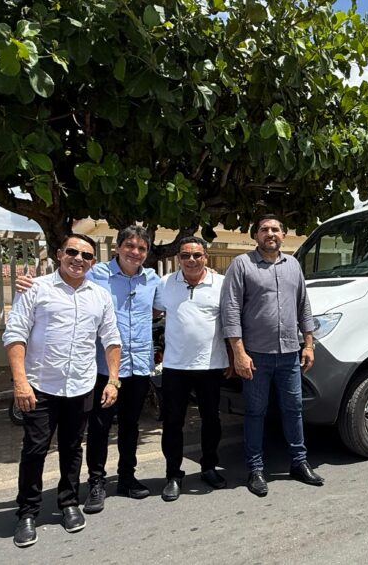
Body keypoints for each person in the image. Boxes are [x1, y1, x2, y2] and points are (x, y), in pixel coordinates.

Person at [16, 226, 161, 515]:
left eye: (142, 248)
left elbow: (159, 309)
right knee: (99, 427)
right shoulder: (96, 274)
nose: (135, 252)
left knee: (131, 426)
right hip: (101, 368)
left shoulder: (153, 279)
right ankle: (97, 482)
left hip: (139, 364)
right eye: (130, 246)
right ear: (118, 247)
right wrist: (29, 284)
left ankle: (127, 477)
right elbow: (66, 281)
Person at [4, 234, 121, 548]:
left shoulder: (99, 296)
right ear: (59, 254)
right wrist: (20, 382)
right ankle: (27, 512)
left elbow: (111, 339)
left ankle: (68, 502)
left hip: (81, 385)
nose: (78, 259)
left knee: (72, 448)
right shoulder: (35, 289)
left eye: (86, 255)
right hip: (40, 386)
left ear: (92, 262)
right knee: (35, 449)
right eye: (72, 252)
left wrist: (112, 379)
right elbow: (15, 334)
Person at [220, 214, 324, 497]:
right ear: (256, 235)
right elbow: (230, 311)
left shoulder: (293, 265)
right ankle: (255, 469)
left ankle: (299, 463)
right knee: (255, 412)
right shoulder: (242, 264)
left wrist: (309, 343)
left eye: (275, 229)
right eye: (264, 229)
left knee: (294, 409)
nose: (270, 233)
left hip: (290, 353)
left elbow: (304, 305)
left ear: (284, 234)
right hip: (256, 355)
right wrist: (238, 353)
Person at [154, 236, 232, 501]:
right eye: (186, 255)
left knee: (212, 420)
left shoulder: (221, 285)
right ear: (179, 258)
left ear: (205, 257)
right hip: (175, 366)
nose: (191, 260)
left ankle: (209, 467)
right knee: (173, 422)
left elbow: (231, 323)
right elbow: (151, 314)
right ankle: (173, 475)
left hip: (211, 365)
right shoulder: (165, 284)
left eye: (197, 255)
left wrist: (233, 357)